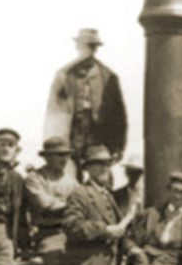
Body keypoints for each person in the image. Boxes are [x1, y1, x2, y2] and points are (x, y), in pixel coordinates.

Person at [45, 28, 127, 167]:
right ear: (78, 47)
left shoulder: (108, 76)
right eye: (85, 46)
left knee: (98, 170)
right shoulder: (64, 75)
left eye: (92, 47)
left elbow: (118, 115)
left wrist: (118, 146)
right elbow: (54, 112)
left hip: (98, 137)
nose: (89, 51)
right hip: (72, 134)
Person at [23, 136, 78, 265]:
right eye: (59, 154)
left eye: (66, 155)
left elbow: (81, 204)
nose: (64, 159)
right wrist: (72, 205)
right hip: (48, 232)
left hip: (70, 231)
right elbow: (47, 205)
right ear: (47, 157)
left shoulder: (70, 180)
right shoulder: (35, 178)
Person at [0, 127, 27, 254]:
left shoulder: (18, 178)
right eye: (2, 145)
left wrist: (23, 243)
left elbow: (21, 213)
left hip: (7, 234)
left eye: (10, 145)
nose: (6, 149)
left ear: (17, 151)